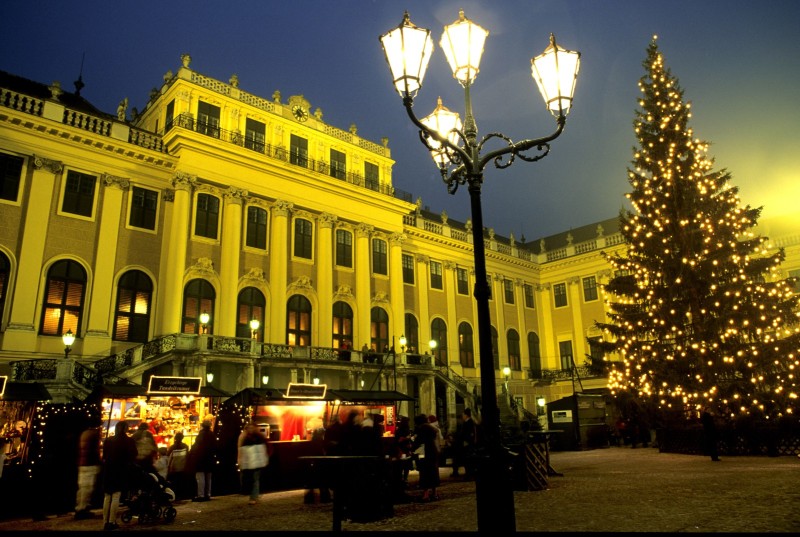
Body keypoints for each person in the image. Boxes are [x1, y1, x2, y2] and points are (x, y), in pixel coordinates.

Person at [101, 420, 137, 531]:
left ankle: (105, 521)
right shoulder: (129, 441)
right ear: (126, 429)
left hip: (108, 469)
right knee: (116, 495)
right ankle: (112, 521)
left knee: (107, 496)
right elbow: (133, 455)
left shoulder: (108, 440)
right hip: (120, 469)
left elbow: (104, 456)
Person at [74, 415, 102, 520]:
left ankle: (79, 507)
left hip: (82, 463)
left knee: (82, 488)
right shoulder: (94, 434)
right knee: (88, 488)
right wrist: (99, 461)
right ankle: (83, 509)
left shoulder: (84, 433)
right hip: (90, 464)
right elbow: (95, 451)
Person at [237, 422, 269, 505]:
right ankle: (254, 496)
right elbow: (242, 451)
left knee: (255, 479)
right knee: (252, 480)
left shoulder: (256, 437)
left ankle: (254, 497)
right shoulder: (246, 437)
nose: (251, 429)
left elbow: (263, 450)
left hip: (256, 462)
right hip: (250, 463)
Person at [412, 414, 441, 502]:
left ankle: (426, 494)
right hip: (432, 451)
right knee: (433, 472)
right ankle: (435, 493)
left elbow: (419, 442)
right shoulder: (431, 428)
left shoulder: (421, 429)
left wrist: (413, 448)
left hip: (424, 452)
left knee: (424, 473)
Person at [190, 419, 217, 501]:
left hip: (201, 459)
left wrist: (192, 453)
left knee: (200, 477)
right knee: (208, 477)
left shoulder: (201, 435)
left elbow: (196, 446)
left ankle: (201, 495)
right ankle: (208, 494)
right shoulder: (212, 434)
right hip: (209, 458)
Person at [167, 432, 191, 499]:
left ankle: (176, 496)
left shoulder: (172, 447)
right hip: (183, 468)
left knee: (175, 484)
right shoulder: (185, 446)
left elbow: (168, 457)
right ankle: (182, 495)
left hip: (174, 469)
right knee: (182, 483)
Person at [460, 408, 477, 479]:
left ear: (466, 415)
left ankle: (469, 474)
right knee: (467, 459)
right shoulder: (466, 422)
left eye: (463, 415)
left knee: (468, 459)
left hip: (468, 443)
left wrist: (467, 441)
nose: (462, 416)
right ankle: (468, 473)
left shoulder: (469, 422)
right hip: (466, 442)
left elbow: (471, 433)